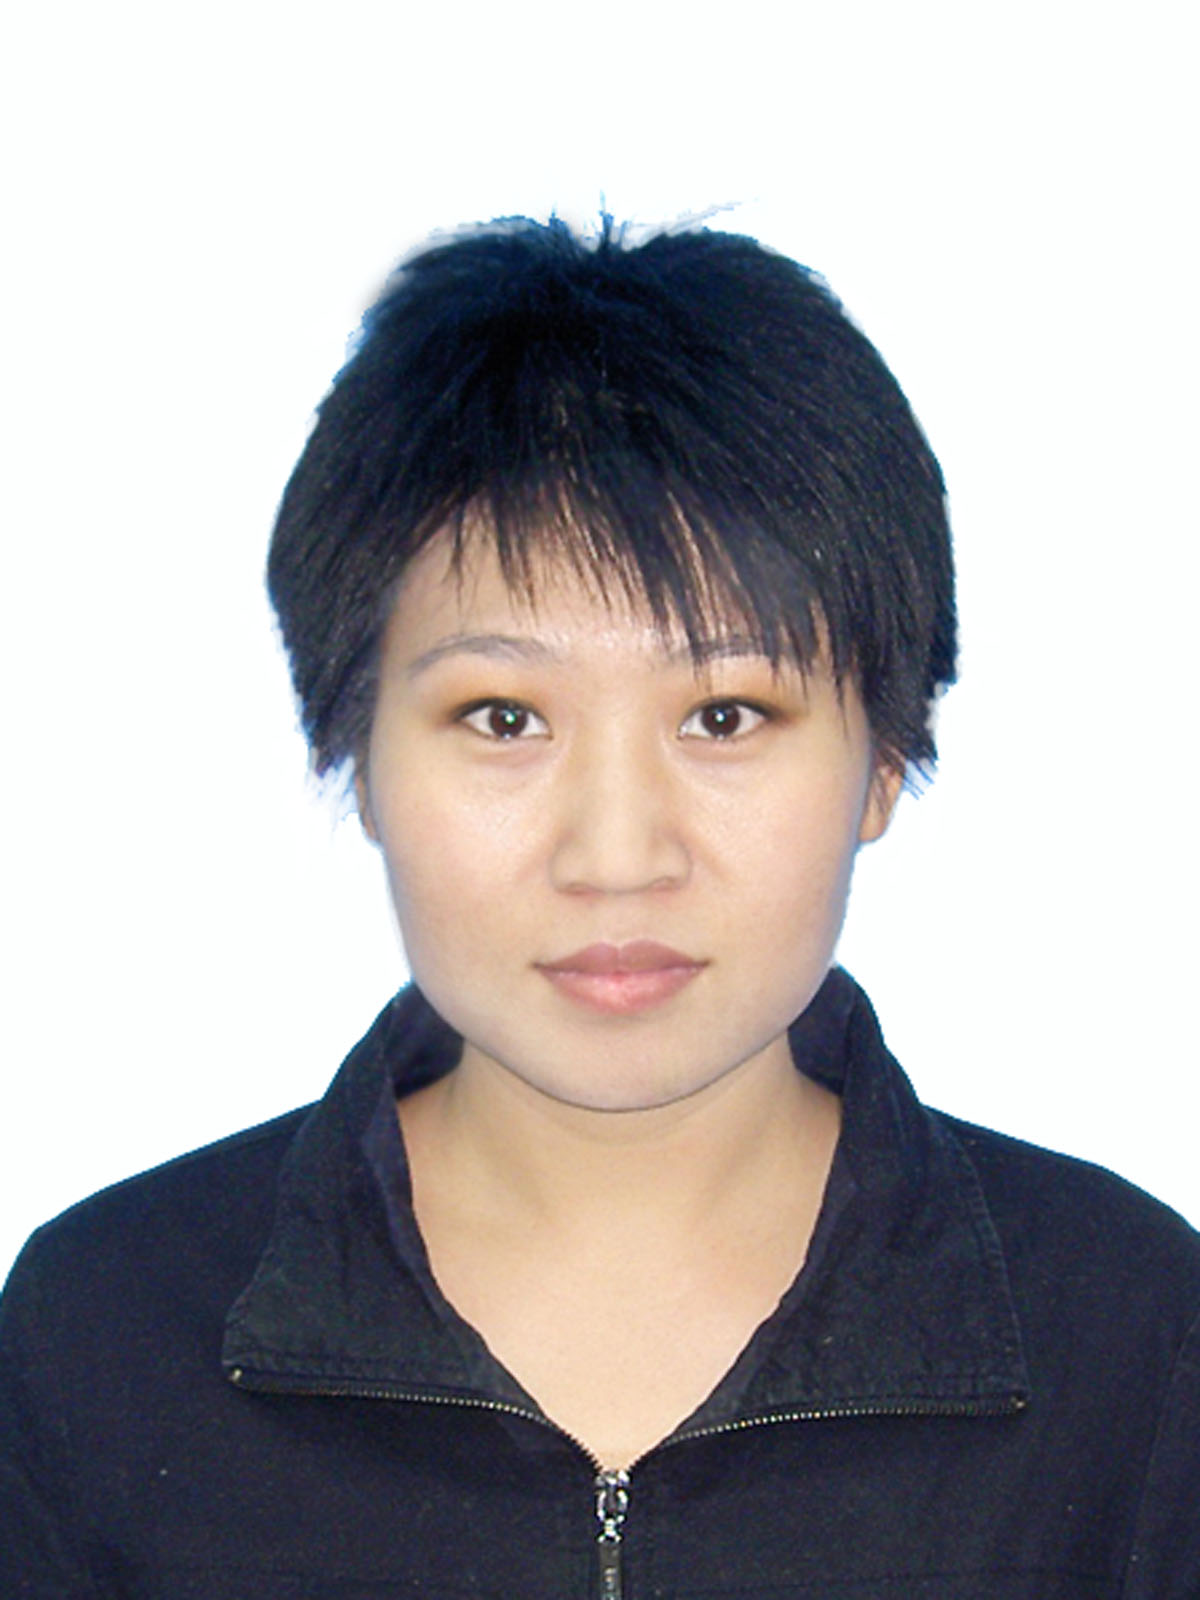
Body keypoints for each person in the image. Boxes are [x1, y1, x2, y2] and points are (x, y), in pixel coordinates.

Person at [1, 216, 1197, 1598]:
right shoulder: (105, 1337)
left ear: (884, 760)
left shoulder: (1130, 1344)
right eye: (504, 718)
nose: (618, 855)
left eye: (725, 714)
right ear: (359, 758)